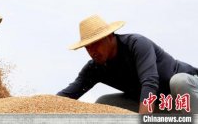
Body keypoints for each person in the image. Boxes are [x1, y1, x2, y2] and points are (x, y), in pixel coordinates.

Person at [57, 15, 198, 114]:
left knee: (179, 81)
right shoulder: (94, 68)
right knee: (104, 103)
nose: (92, 51)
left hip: (188, 94)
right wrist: (38, 107)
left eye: (95, 44)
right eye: (87, 47)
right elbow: (66, 96)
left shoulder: (136, 44)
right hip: (162, 106)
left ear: (109, 37)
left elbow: (150, 82)